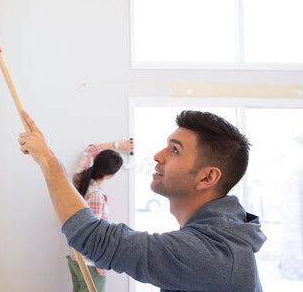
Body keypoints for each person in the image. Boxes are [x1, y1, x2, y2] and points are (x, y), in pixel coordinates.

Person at [18, 110, 266, 292]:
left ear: (207, 176)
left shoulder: (211, 253)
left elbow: (92, 237)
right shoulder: (220, 235)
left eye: (175, 150)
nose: (158, 156)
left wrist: (47, 160)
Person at [67, 140, 132, 292]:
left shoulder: (80, 180)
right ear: (110, 175)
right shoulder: (96, 195)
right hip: (89, 264)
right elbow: (91, 234)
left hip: (75, 258)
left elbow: (89, 151)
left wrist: (117, 145)